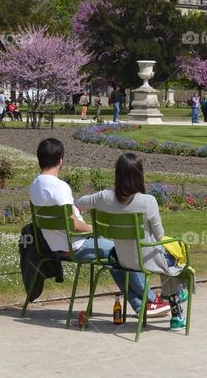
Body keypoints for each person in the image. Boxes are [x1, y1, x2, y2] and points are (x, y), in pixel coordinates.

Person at [28, 138, 169, 318]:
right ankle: (149, 301)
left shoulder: (34, 185)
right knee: (121, 253)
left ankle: (143, 304)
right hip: (75, 246)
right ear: (60, 160)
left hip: (54, 245)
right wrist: (95, 230)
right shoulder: (59, 187)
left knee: (114, 257)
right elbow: (74, 224)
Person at [77, 153, 189, 330]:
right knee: (174, 257)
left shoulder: (105, 198)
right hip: (146, 259)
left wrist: (78, 212)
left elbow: (80, 202)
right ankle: (176, 309)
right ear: (140, 175)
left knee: (167, 257)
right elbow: (160, 236)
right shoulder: (148, 202)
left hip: (122, 259)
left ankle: (172, 297)